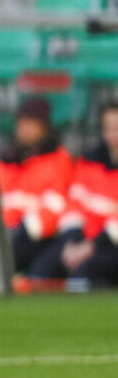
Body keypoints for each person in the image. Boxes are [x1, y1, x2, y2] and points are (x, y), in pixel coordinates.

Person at [0, 95, 75, 278]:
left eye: (31, 124)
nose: (25, 130)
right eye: (22, 124)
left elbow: (56, 203)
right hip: (6, 232)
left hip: (40, 236)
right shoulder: (8, 159)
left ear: (44, 127)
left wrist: (27, 227)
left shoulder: (58, 158)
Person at [47, 103, 118, 288]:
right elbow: (73, 205)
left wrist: (91, 247)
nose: (114, 134)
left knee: (83, 276)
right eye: (109, 128)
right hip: (82, 240)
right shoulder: (89, 161)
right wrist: (72, 242)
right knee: (44, 269)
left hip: (109, 245)